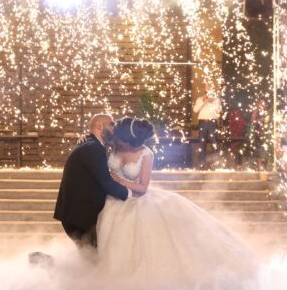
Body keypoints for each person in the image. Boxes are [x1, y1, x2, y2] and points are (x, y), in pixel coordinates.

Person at [97, 117, 256, 286]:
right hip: (113, 200)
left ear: (131, 141)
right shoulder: (115, 146)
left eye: (123, 140)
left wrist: (120, 181)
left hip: (136, 200)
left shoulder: (146, 154)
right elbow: (97, 143)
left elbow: (143, 187)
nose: (120, 143)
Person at [53, 114, 131, 249]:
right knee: (92, 262)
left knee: (88, 260)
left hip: (77, 215)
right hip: (79, 217)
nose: (114, 129)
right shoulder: (93, 148)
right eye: (111, 125)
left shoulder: (92, 144)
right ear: (99, 126)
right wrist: (130, 194)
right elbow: (106, 182)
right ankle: (40, 262)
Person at [193, 83, 222, 170]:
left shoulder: (216, 100)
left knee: (214, 143)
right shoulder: (200, 99)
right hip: (202, 123)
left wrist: (213, 102)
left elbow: (219, 111)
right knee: (202, 144)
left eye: (209, 89)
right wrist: (203, 100)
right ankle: (202, 164)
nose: (208, 92)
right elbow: (195, 110)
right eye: (206, 90)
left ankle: (214, 164)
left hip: (212, 123)